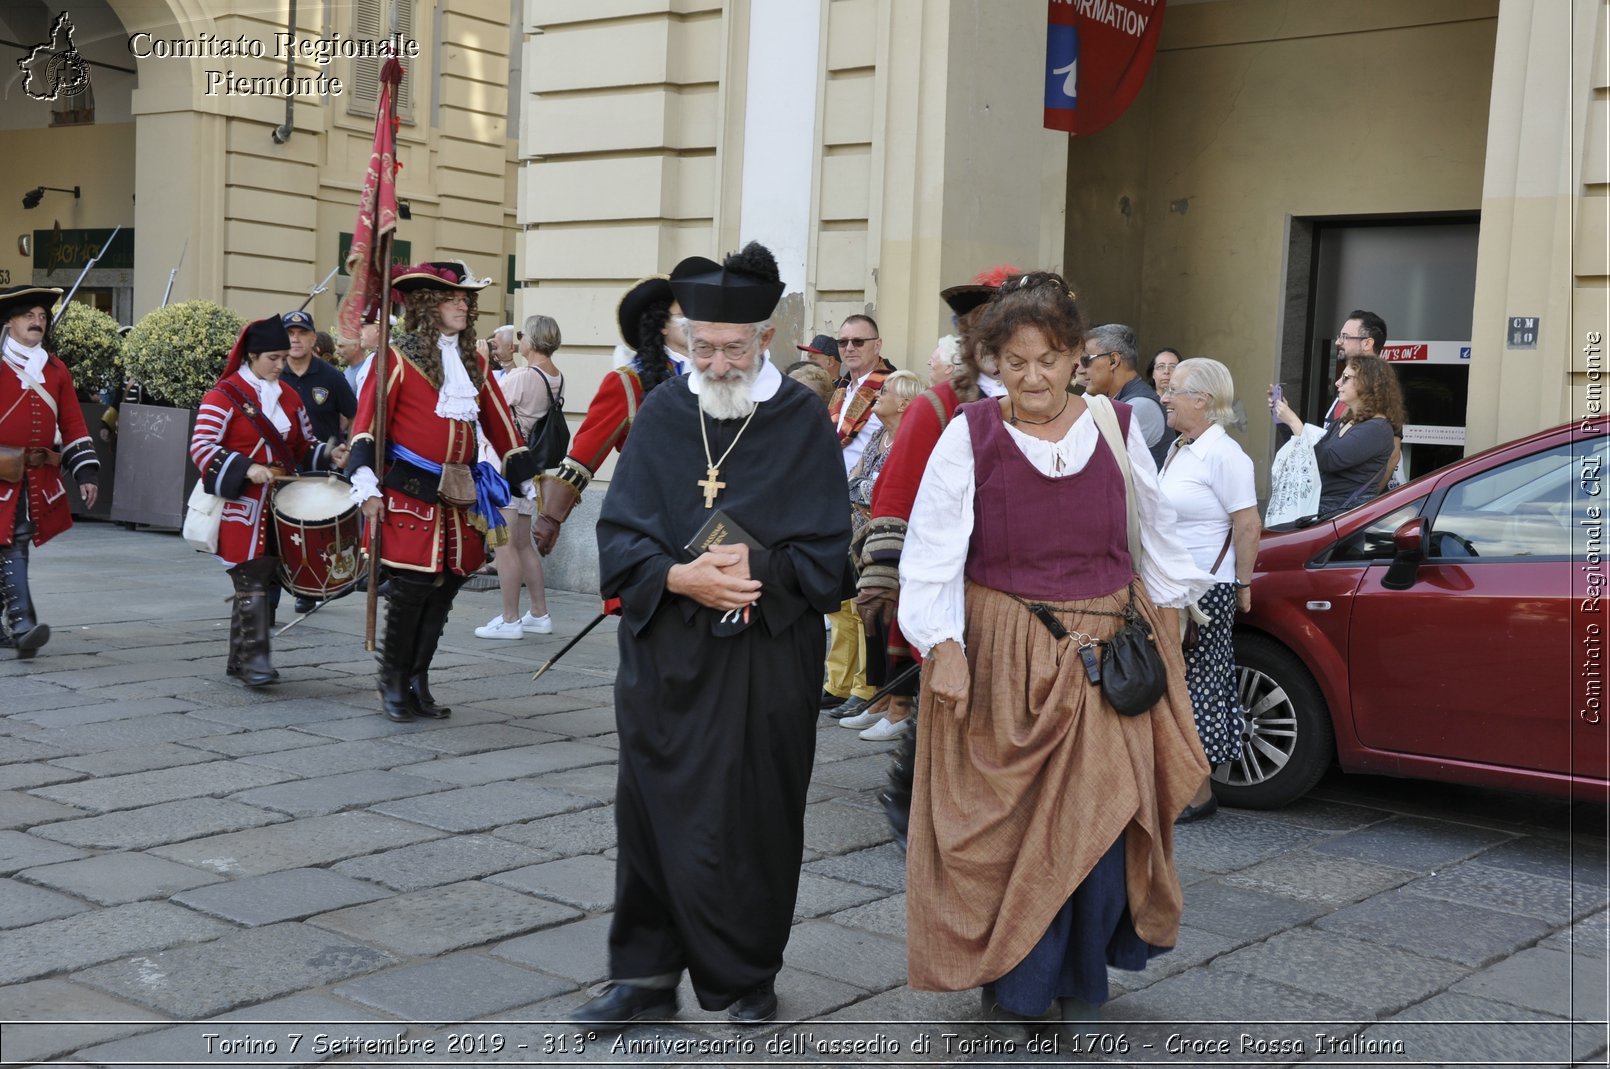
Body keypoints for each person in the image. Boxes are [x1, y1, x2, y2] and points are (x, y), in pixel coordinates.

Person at [899, 272, 1213, 1029]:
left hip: (1108, 658)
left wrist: (1169, 622)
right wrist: (941, 645)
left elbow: (1158, 531)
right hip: (1006, 655)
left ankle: (1077, 970)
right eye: (1015, 362)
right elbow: (932, 550)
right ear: (992, 364)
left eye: (1049, 359)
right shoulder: (967, 434)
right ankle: (1017, 981)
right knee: (1007, 828)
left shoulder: (1116, 426)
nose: (1032, 377)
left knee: (1104, 819)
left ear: (1077, 356)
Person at [578, 241, 850, 1028]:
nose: (719, 362)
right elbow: (622, 533)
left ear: (765, 339)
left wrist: (758, 564)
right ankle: (644, 975)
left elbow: (829, 555)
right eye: (703, 346)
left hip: (766, 660)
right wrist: (676, 576)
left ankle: (748, 975)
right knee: (650, 810)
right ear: (683, 337)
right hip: (667, 655)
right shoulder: (663, 410)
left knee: (756, 817)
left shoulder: (801, 420)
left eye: (735, 347)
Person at [856, 270, 1013, 844]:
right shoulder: (939, 405)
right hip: (961, 596)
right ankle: (921, 810)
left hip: (1037, 606)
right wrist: (881, 583)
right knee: (948, 711)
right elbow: (896, 496)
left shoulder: (1066, 410)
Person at [345, 260, 540, 722]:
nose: (461, 305)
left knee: (446, 588)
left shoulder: (474, 360)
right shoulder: (393, 356)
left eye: (465, 300)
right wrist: (364, 480)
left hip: (461, 495)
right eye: (452, 298)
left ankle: (418, 680)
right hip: (410, 491)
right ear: (427, 305)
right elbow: (367, 422)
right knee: (412, 588)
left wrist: (523, 474)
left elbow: (499, 419)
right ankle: (392, 683)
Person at [189, 317, 348, 685]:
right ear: (252, 355)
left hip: (281, 504)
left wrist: (328, 455)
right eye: (273, 358)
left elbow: (302, 446)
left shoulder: (289, 396)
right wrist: (247, 468)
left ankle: (239, 658)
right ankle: (256, 662)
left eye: (282, 358)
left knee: (258, 577)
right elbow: (201, 447)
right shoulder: (224, 394)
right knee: (253, 576)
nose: (280, 365)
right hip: (241, 507)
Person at [1157, 358, 1259, 822]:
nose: (1164, 396)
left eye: (1174, 389)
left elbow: (1247, 523)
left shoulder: (1225, 455)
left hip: (1206, 593)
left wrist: (1243, 583)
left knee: (1199, 691)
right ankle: (1179, 785)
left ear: (1202, 400)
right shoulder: (1180, 448)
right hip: (1173, 590)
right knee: (1176, 691)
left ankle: (1198, 794)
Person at [533, 270, 691, 556]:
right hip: (650, 517)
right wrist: (551, 516)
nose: (694, 321)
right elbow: (586, 450)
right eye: (683, 314)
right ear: (662, 326)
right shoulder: (629, 382)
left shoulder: (716, 377)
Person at [0, 285, 99, 658]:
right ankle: (23, 623)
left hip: (37, 474)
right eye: (29, 316)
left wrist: (86, 473)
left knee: (13, 539)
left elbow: (73, 423)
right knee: (12, 540)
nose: (37, 322)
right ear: (10, 322)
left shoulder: (55, 369)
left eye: (42, 317)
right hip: (0, 472)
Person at [821, 313, 897, 720]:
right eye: (844, 342)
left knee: (863, 602)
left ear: (877, 344)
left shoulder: (889, 386)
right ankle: (839, 681)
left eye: (859, 342)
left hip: (867, 506)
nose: (850, 348)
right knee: (838, 600)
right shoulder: (842, 389)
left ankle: (866, 685)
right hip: (835, 501)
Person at [840, 368, 922, 741]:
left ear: (905, 401)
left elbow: (876, 488)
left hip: (896, 540)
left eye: (885, 390)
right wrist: (864, 487)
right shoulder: (877, 436)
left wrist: (864, 487)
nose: (877, 395)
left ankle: (898, 704)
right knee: (868, 613)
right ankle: (878, 697)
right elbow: (857, 482)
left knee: (890, 616)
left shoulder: (912, 438)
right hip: (864, 537)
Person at [474, 314, 563, 639]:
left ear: (534, 340)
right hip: (528, 466)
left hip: (504, 464)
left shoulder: (525, 375)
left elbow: (486, 402)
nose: (518, 340)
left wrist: (483, 362)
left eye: (523, 334)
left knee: (506, 546)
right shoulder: (553, 375)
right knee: (524, 545)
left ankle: (510, 619)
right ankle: (539, 613)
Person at [279, 309, 359, 613]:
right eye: (290, 334)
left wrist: (349, 447)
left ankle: (308, 589)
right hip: (282, 467)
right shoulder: (274, 373)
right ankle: (271, 595)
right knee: (278, 533)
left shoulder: (331, 377)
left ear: (314, 338)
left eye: (302, 334)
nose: (296, 340)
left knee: (310, 533)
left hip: (319, 466)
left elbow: (355, 415)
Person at [1271, 353, 1403, 515]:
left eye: (1346, 377)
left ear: (1367, 383)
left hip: (1341, 520)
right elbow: (1306, 454)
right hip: (1323, 512)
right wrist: (1285, 421)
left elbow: (1327, 460)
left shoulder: (1377, 429)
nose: (1337, 383)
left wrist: (1293, 421)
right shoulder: (1347, 421)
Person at [1081, 323, 1177, 468]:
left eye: (1086, 360)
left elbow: (1091, 463)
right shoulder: (1117, 399)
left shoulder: (1139, 406)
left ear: (1113, 361)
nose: (1081, 369)